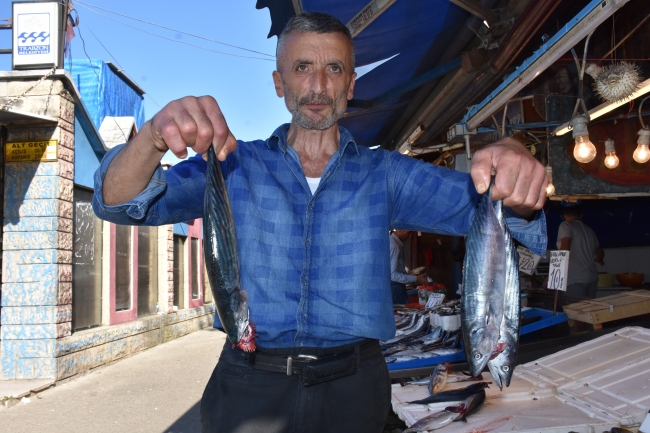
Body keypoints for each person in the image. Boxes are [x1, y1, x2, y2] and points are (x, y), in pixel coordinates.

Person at [93, 12, 548, 433]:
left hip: (354, 387)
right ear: (278, 82)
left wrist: (516, 162)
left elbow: (493, 207)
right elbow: (118, 202)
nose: (318, 85)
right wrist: (153, 136)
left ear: (350, 84)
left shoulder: (386, 173)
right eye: (302, 67)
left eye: (334, 70)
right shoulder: (236, 165)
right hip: (248, 385)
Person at [557, 204, 605, 299]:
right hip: (591, 278)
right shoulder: (589, 230)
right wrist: (598, 260)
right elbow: (600, 254)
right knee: (588, 311)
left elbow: (564, 250)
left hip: (574, 279)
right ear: (581, 215)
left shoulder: (566, 225)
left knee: (575, 311)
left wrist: (554, 275)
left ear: (564, 215)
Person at [390, 230, 427, 304]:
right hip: (395, 287)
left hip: (395, 287)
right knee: (400, 314)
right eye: (409, 232)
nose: (410, 236)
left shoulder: (392, 242)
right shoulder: (394, 245)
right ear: (399, 229)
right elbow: (393, 275)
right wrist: (417, 279)